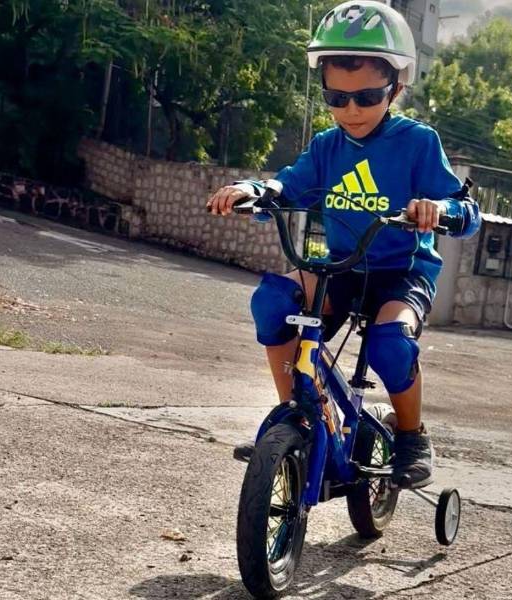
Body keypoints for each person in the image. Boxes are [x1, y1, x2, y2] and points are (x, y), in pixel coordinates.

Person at [207, 0, 480, 489]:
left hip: (402, 273)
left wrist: (440, 210)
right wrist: (254, 189)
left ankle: (412, 436)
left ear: (396, 86)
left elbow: (466, 211)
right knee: (273, 301)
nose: (350, 111)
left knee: (390, 345)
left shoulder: (417, 143)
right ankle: (297, 417)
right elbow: (287, 185)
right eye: (336, 98)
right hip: (342, 268)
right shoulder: (327, 147)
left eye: (366, 96)